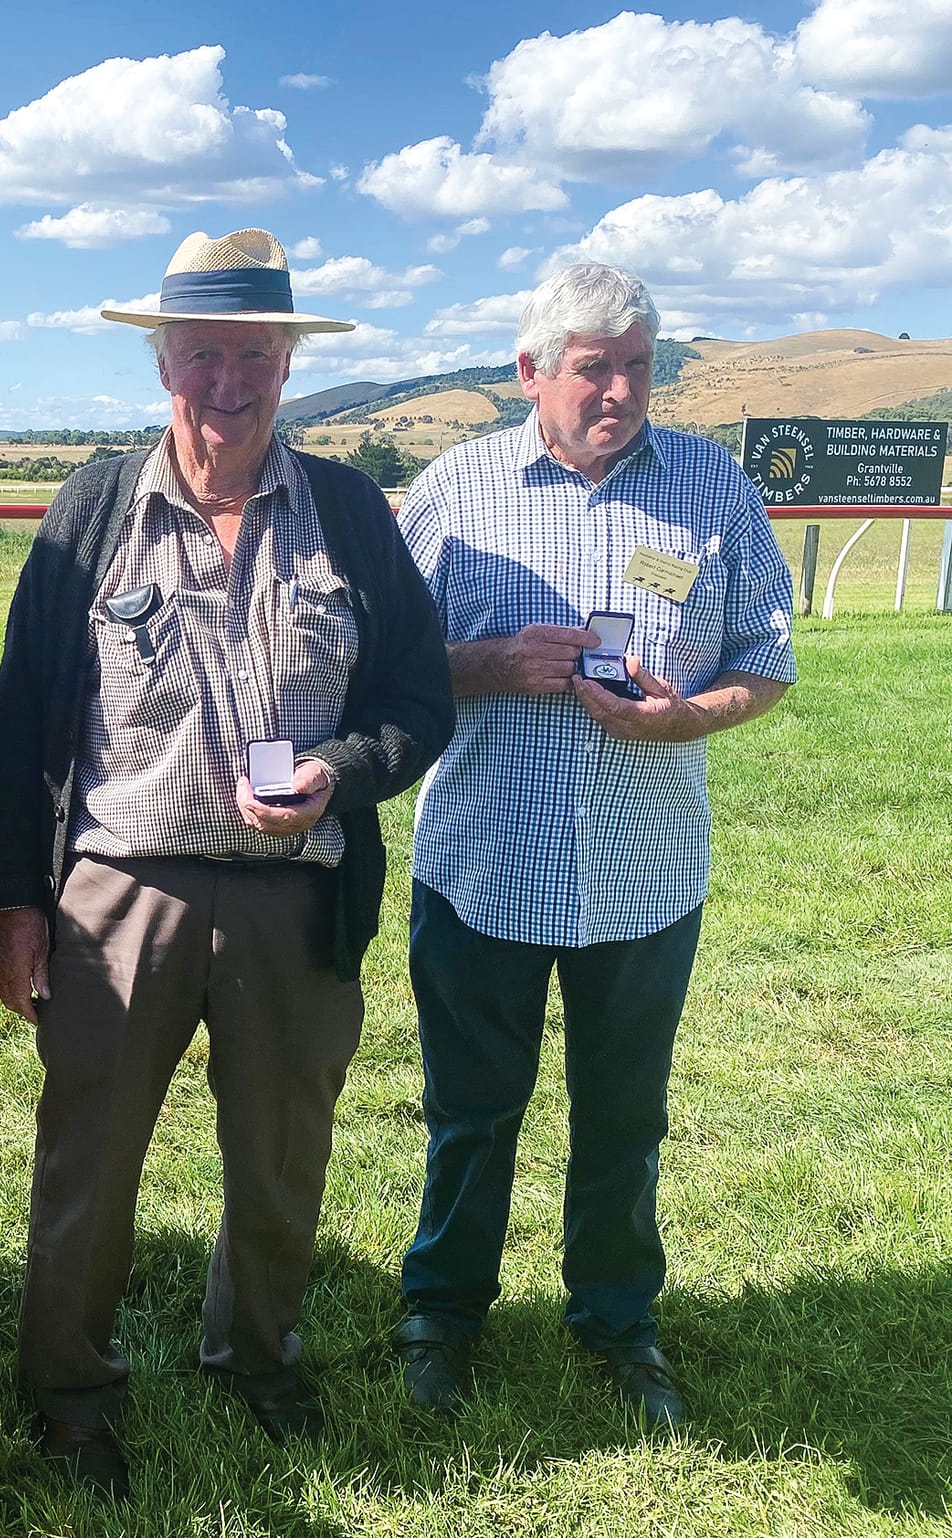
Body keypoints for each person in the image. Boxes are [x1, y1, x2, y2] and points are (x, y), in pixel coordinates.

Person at [0, 228, 454, 1497]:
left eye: (253, 355)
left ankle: (257, 1358)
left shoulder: (350, 512)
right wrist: (16, 900)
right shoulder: (91, 510)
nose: (227, 382)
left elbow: (419, 699)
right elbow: (23, 714)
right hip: (117, 890)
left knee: (281, 1148)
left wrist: (339, 773)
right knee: (88, 1151)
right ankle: (69, 1391)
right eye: (202, 355)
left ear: (289, 363)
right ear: (161, 364)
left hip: (297, 897)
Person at [390, 262, 797, 1428]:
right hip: (479, 867)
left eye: (634, 366)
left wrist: (680, 716)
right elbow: (381, 664)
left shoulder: (711, 488)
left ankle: (617, 1321)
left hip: (643, 872)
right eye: (589, 367)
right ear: (529, 373)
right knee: (469, 1110)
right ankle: (441, 1313)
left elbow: (763, 659)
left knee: (625, 1114)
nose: (616, 389)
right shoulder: (454, 490)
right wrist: (485, 661)